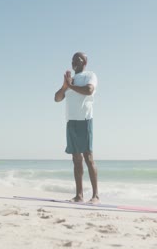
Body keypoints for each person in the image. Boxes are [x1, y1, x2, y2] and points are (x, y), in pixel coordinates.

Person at [54, 52, 99, 204]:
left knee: (88, 157)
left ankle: (95, 196)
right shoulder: (70, 80)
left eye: (78, 58)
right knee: (76, 159)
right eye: (73, 59)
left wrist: (71, 86)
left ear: (85, 61)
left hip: (84, 120)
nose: (75, 61)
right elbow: (57, 98)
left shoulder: (90, 75)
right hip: (71, 121)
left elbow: (89, 90)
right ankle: (79, 195)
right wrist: (65, 86)